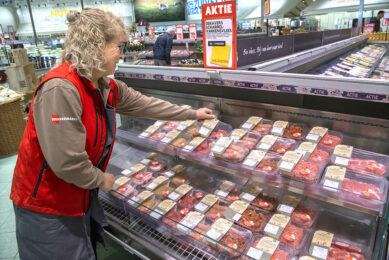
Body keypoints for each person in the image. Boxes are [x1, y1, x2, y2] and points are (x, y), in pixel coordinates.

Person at [9, 8, 214, 260]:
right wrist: (100, 180)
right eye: (118, 46)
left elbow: (144, 104)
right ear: (96, 45)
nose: (122, 53)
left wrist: (191, 114)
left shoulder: (103, 84)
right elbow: (66, 160)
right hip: (48, 206)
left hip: (78, 196)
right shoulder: (61, 89)